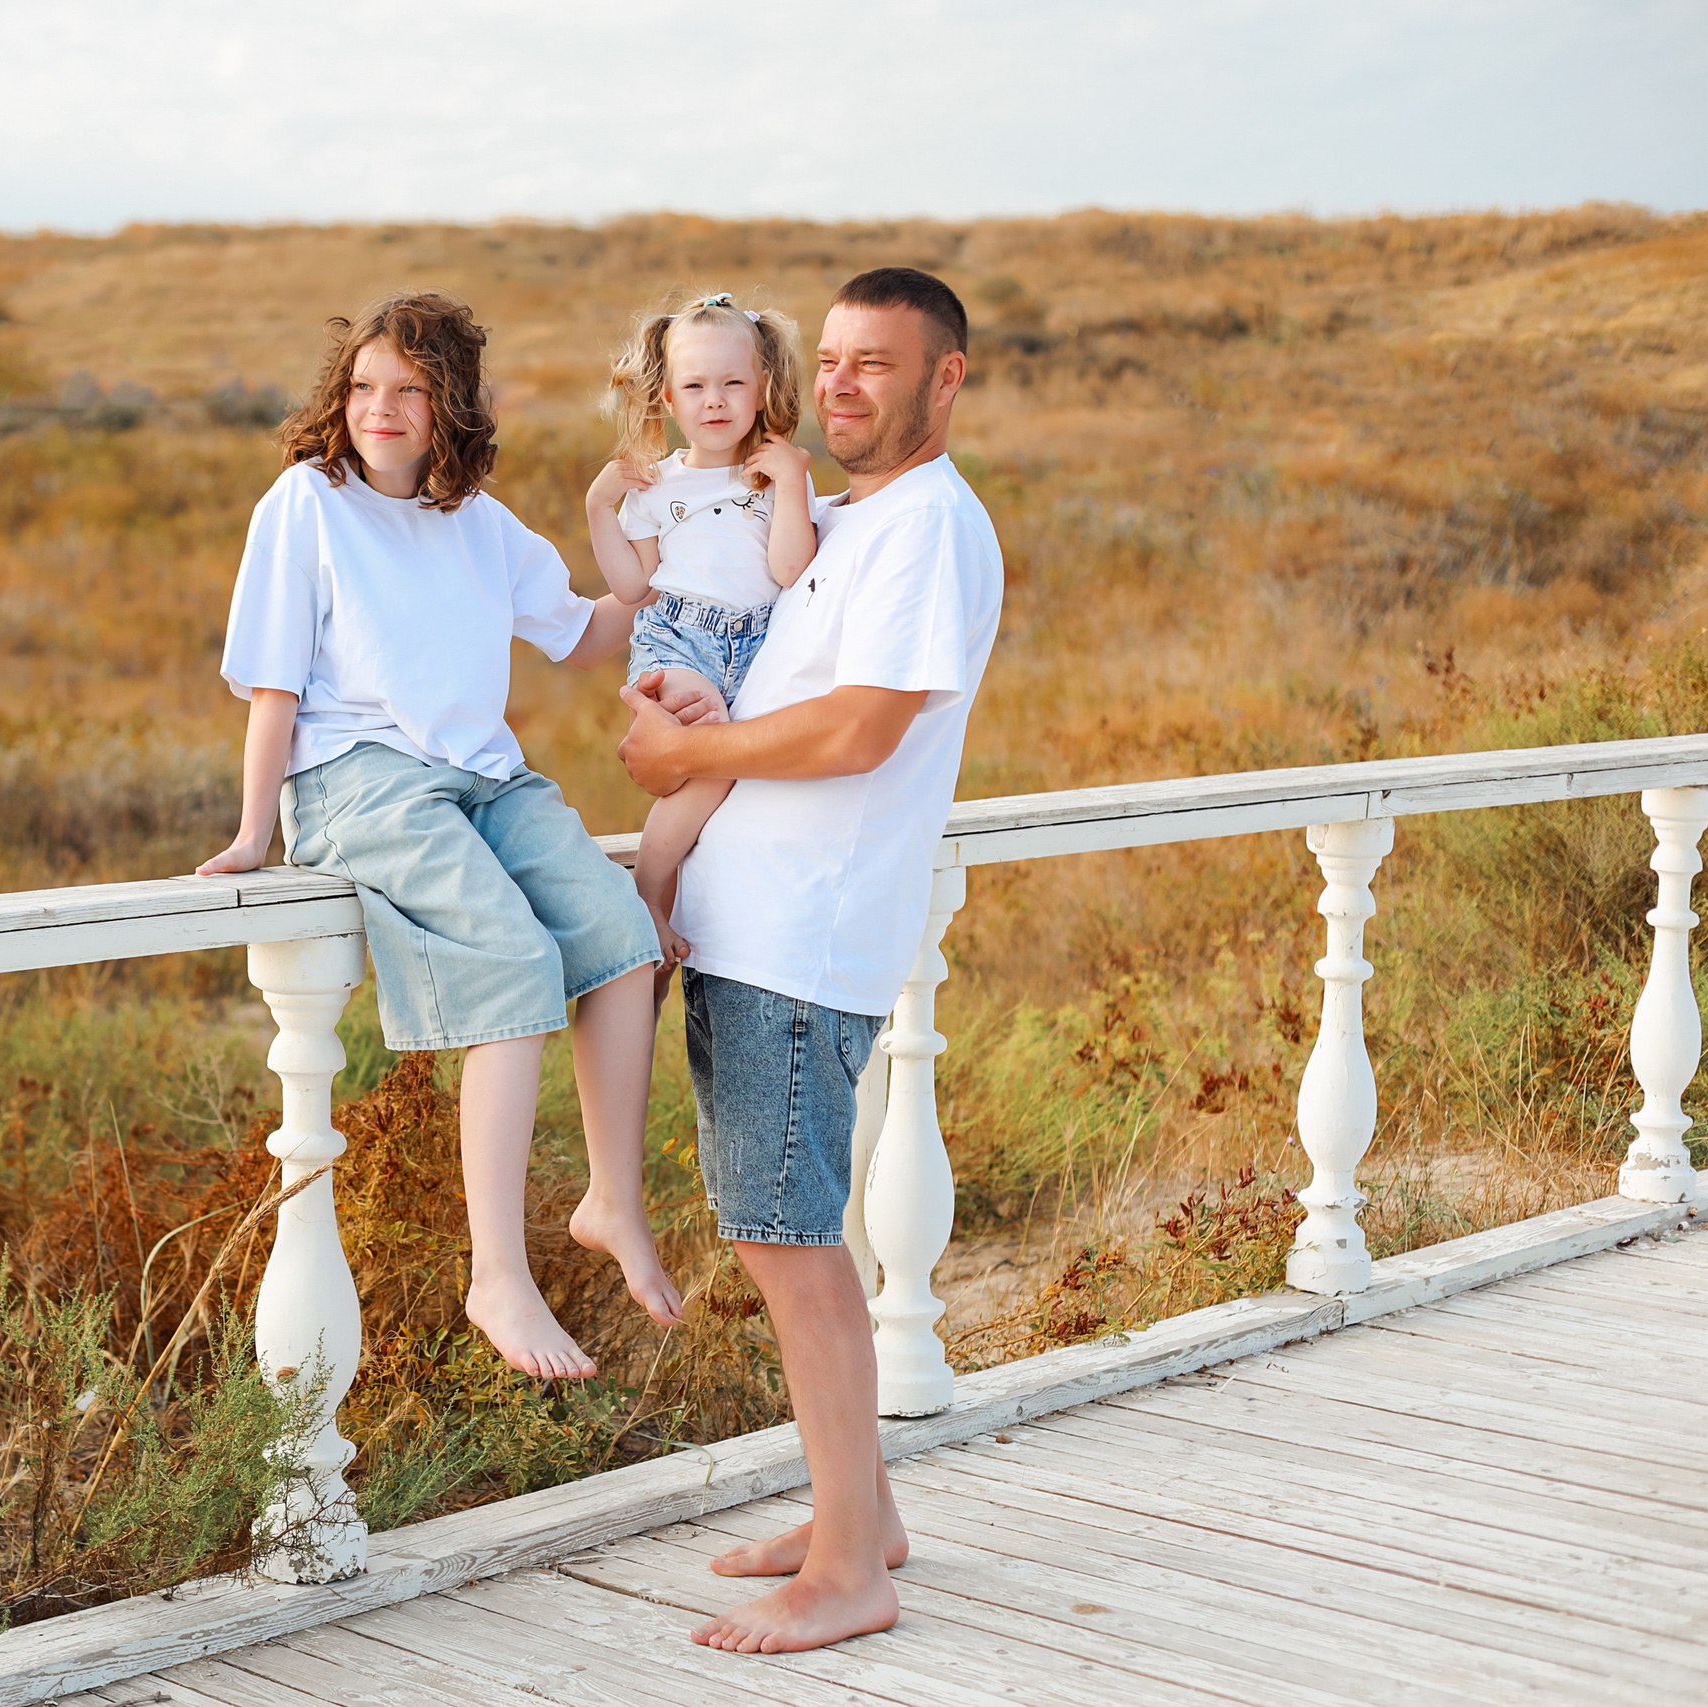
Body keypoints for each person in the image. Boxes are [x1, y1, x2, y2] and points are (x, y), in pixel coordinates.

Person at [618, 266, 1004, 1652]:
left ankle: (850, 1567)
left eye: (877, 364)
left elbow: (858, 730)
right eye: (830, 360)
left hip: (802, 936)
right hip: (759, 925)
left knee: (789, 1247)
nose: (843, 383)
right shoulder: (848, 518)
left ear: (944, 377)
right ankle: (864, 1512)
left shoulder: (928, 531)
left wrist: (685, 755)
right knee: (790, 1232)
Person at [199, 292, 684, 1383]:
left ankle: (611, 1202)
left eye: (408, 391)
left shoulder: (479, 524)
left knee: (621, 937)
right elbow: (273, 681)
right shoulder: (306, 504)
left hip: (478, 775)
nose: (381, 409)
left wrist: (640, 539)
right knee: (513, 960)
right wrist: (250, 833)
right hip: (356, 780)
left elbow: (590, 629)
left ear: (448, 407)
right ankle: (497, 1274)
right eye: (365, 387)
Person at [584, 294, 817, 976]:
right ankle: (651, 898)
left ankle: (661, 902)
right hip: (679, 641)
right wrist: (600, 505)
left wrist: (795, 484)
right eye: (695, 386)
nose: (714, 400)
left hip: (758, 648)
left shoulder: (772, 477)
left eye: (732, 383)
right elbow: (632, 586)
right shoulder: (656, 486)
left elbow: (789, 568)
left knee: (717, 781)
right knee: (705, 742)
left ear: (763, 388)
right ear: (666, 398)